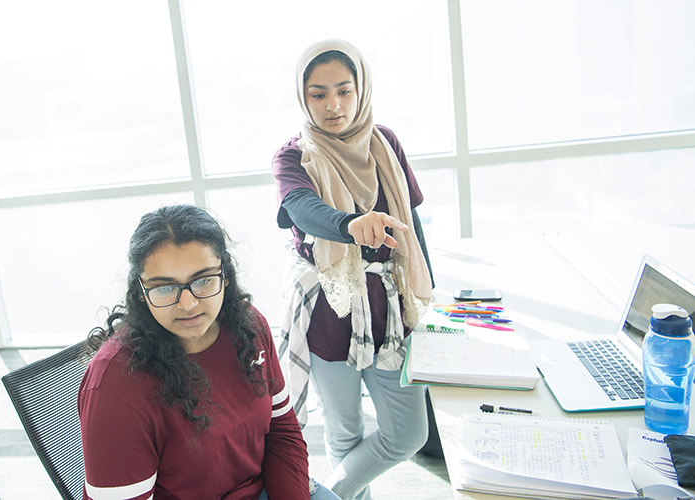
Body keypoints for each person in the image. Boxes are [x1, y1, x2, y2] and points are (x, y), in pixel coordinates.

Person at [78, 204, 340, 500]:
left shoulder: (248, 325)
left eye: (203, 280)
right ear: (140, 291)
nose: (188, 304)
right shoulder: (116, 384)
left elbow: (281, 431)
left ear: (225, 275)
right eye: (164, 287)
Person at [271, 39, 436, 500]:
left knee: (408, 434)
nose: (333, 106)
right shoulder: (293, 155)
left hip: (390, 310)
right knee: (343, 431)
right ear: (302, 97)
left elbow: (412, 224)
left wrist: (428, 296)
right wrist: (351, 224)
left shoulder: (385, 142)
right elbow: (302, 209)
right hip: (329, 309)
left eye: (344, 90)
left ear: (361, 88)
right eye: (318, 94)